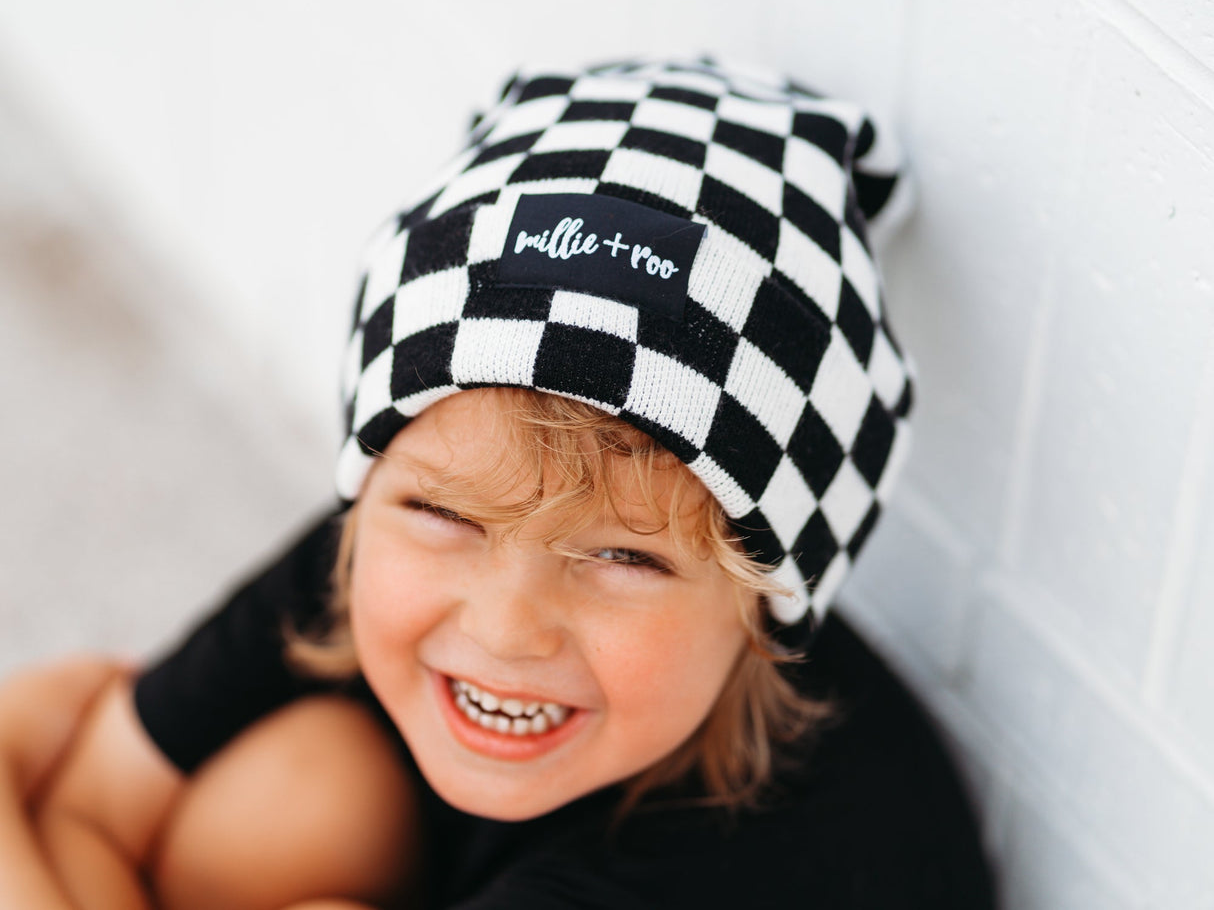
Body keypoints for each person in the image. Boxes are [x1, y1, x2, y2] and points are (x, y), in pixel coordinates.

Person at [0, 58, 995, 909]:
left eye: (624, 554)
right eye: (442, 512)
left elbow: (71, 807)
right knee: (299, 788)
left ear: (766, 605)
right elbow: (96, 806)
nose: (507, 625)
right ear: (374, 484)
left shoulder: (727, 867)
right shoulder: (400, 522)